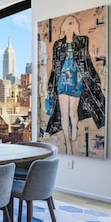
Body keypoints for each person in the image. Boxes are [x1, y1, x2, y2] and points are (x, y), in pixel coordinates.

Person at [45, 15, 105, 154]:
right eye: (69, 23)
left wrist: (95, 78)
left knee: (73, 113)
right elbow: (55, 66)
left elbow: (87, 60)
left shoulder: (83, 41)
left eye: (73, 23)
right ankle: (68, 144)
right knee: (64, 115)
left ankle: (74, 130)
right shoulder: (58, 44)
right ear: (64, 27)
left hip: (76, 82)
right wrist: (51, 86)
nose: (72, 26)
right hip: (62, 83)